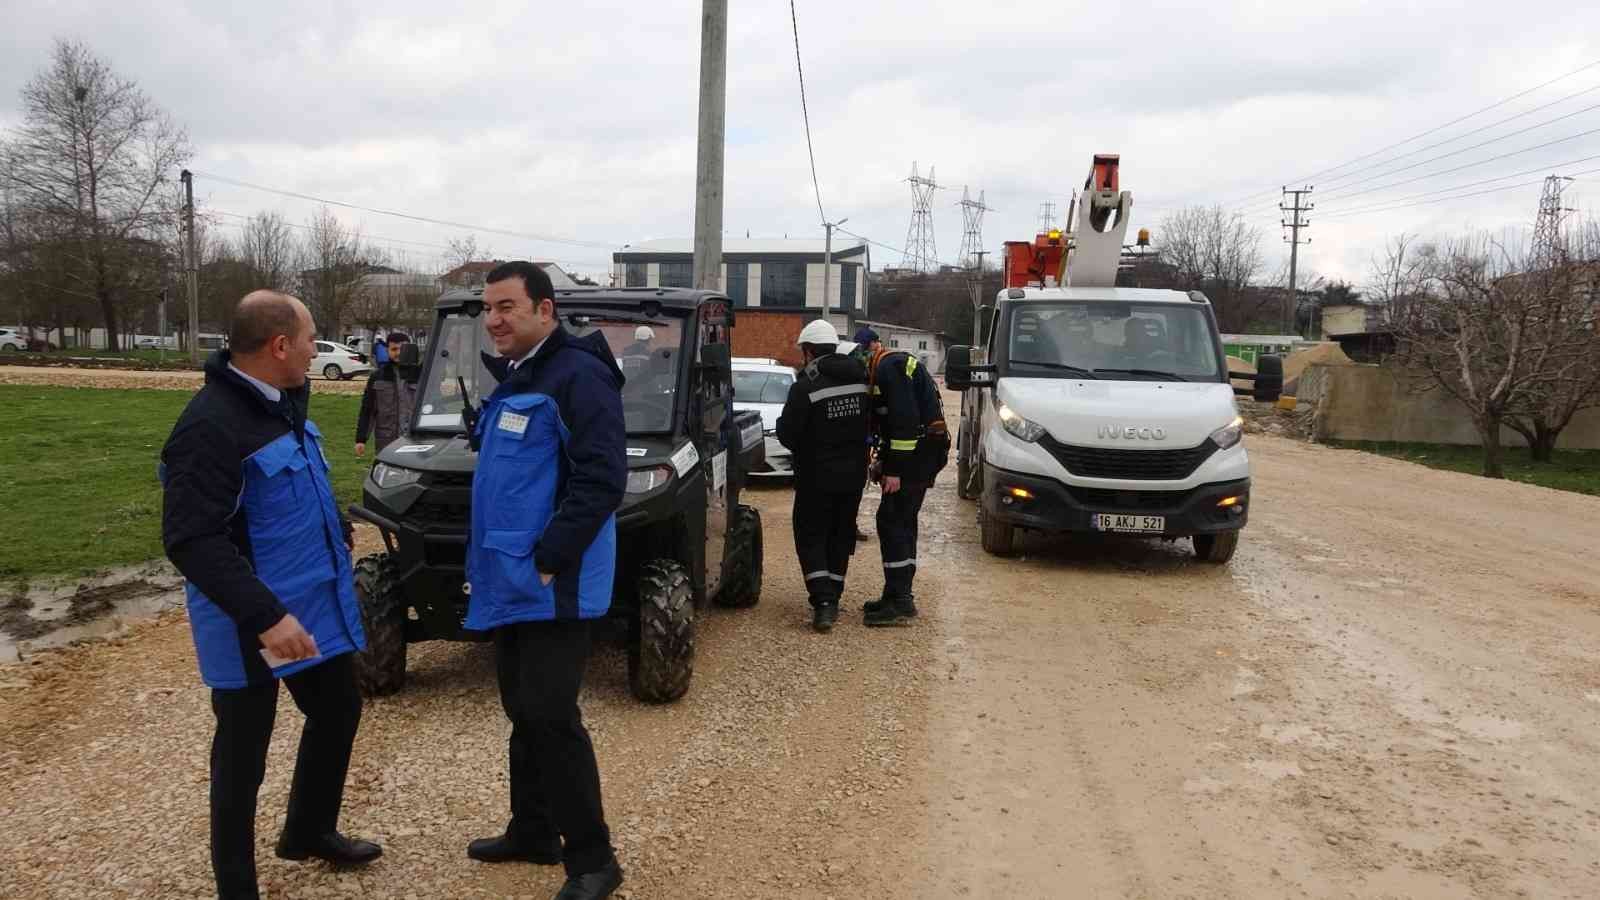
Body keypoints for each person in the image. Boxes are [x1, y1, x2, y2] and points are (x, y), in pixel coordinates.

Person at [160, 291, 379, 900]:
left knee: (337, 711)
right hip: (251, 623)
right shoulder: (210, 425)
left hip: (306, 613)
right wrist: (265, 617)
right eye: (312, 338)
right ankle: (238, 888)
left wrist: (332, 522)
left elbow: (296, 478)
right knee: (242, 757)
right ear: (280, 345)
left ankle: (307, 832)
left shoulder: (280, 404)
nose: (319, 350)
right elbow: (191, 539)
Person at [463, 261, 626, 900]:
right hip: (510, 580)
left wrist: (552, 557)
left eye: (507, 307)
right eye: (489, 309)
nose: (495, 320)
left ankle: (594, 860)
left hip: (553, 581)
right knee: (521, 710)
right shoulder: (518, 378)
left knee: (551, 715)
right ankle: (532, 829)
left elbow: (601, 479)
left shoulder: (578, 378)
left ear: (545, 310)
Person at [776, 320, 870, 632]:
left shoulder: (806, 386)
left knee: (811, 533)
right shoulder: (861, 379)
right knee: (841, 533)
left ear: (810, 351)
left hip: (816, 476)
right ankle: (835, 593)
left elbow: (788, 435)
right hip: (854, 475)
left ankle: (823, 602)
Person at [864, 337, 951, 626]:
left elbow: (904, 423)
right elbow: (893, 425)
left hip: (917, 457)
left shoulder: (889, 369)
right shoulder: (895, 365)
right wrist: (883, 461)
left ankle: (900, 600)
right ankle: (896, 595)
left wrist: (895, 471)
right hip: (922, 454)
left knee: (892, 521)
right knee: (901, 521)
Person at [355, 331, 420, 457]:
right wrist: (361, 439)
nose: (398, 353)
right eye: (394, 349)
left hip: (414, 440)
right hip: (386, 441)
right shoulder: (378, 376)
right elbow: (367, 409)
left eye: (402, 349)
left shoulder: (420, 375)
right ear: (387, 350)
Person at [849, 327, 883, 542]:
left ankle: (846, 524)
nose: (878, 346)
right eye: (875, 342)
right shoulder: (865, 367)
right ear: (868, 344)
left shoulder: (862, 365)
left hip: (859, 434)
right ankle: (848, 525)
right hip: (859, 435)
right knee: (855, 482)